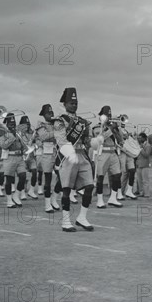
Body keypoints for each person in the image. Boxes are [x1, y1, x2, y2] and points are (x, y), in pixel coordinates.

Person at [53, 87, 96, 232]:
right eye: (71, 103)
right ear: (65, 104)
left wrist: (96, 141)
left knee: (89, 186)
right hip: (67, 156)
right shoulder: (60, 121)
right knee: (66, 189)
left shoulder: (83, 122)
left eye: (76, 102)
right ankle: (66, 221)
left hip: (81, 155)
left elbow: (88, 141)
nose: (74, 105)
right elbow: (60, 140)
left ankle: (82, 217)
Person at [91, 106, 124, 208]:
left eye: (110, 115)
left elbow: (121, 141)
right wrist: (110, 129)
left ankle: (113, 198)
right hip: (102, 153)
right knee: (100, 177)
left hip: (113, 153)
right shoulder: (97, 127)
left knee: (117, 175)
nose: (109, 117)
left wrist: (116, 130)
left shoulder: (113, 127)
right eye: (106, 115)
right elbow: (100, 138)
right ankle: (100, 200)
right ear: (101, 116)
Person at [35, 104, 62, 213]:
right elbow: (44, 136)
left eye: (52, 113)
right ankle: (47, 204)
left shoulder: (56, 124)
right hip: (46, 154)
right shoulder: (40, 124)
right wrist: (57, 132)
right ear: (44, 115)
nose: (51, 115)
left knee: (62, 177)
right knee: (48, 179)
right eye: (48, 113)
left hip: (57, 153)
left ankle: (54, 198)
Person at [0, 112, 29, 208]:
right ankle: (9, 200)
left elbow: (23, 144)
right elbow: (3, 145)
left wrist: (25, 147)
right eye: (11, 124)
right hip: (9, 157)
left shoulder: (18, 132)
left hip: (19, 157)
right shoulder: (3, 132)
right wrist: (12, 138)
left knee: (23, 176)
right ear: (7, 123)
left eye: (14, 123)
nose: (13, 125)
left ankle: (16, 195)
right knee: (9, 179)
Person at [18, 115, 39, 199]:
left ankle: (31, 190)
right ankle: (22, 193)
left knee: (34, 172)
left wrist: (34, 145)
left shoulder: (32, 133)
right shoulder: (18, 133)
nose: (26, 126)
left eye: (27, 124)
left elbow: (37, 142)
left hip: (31, 156)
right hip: (22, 156)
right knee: (22, 175)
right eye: (24, 124)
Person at [136, 132, 152, 198]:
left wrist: (141, 149)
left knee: (145, 180)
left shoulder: (148, 145)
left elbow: (146, 155)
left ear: (144, 138)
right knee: (139, 181)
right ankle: (141, 192)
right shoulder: (138, 145)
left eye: (140, 138)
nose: (139, 139)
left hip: (145, 165)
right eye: (138, 138)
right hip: (139, 165)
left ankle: (147, 194)